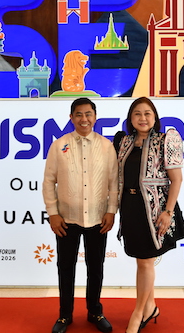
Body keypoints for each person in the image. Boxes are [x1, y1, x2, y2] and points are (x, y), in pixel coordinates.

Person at [43, 97, 119, 333]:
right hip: (66, 219)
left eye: (88, 114)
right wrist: (53, 213)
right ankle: (64, 316)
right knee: (65, 268)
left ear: (95, 117)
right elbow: (48, 181)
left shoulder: (107, 146)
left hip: (98, 218)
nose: (84, 119)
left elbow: (114, 183)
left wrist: (111, 210)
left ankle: (95, 312)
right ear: (71, 117)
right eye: (79, 114)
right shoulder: (59, 145)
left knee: (95, 268)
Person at [114, 97, 184, 333]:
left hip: (155, 209)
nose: (142, 118)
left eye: (147, 113)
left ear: (154, 117)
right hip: (130, 206)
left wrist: (168, 212)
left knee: (146, 262)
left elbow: (176, 179)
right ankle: (151, 306)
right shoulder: (123, 142)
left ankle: (138, 313)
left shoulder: (166, 140)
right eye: (137, 113)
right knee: (142, 260)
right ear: (130, 118)